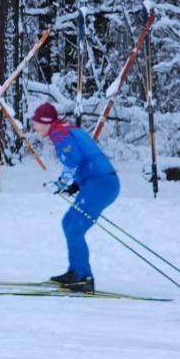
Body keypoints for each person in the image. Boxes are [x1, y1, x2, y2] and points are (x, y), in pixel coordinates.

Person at [32, 102, 120, 293]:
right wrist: (76, 185)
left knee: (74, 227)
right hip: (99, 182)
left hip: (100, 184)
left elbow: (73, 160)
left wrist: (60, 184)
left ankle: (83, 278)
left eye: (36, 122)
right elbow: (86, 158)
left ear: (46, 122)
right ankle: (75, 272)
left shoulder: (59, 133)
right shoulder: (65, 130)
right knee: (70, 224)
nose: (34, 126)